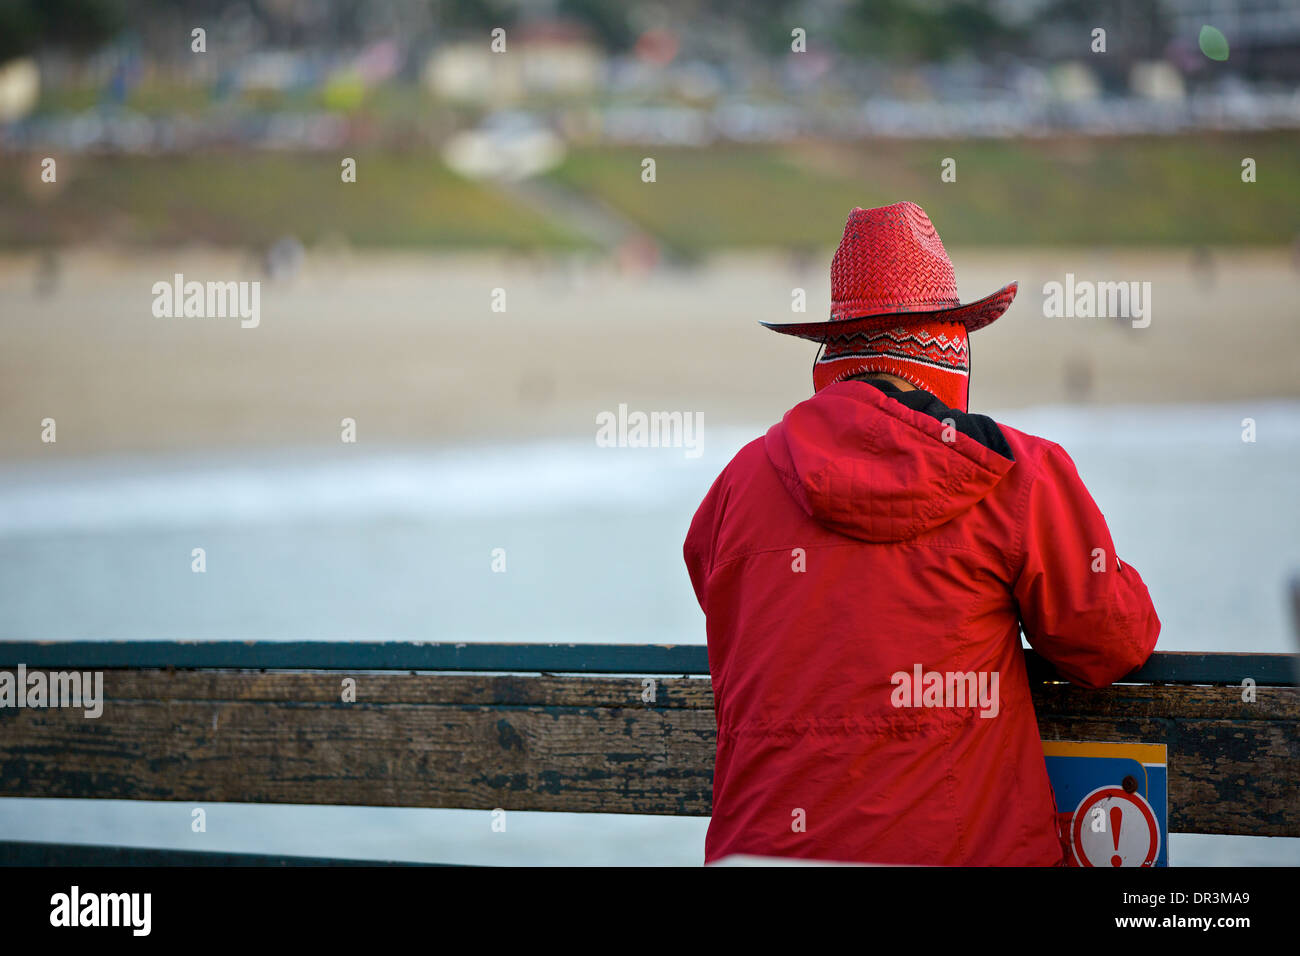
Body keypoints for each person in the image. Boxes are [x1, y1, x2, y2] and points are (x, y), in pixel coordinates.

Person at [683, 202, 1160, 865]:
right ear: (950, 348)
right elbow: (1113, 642)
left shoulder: (739, 482)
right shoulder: (1013, 473)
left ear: (832, 349)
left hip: (759, 854)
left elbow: (730, 611)